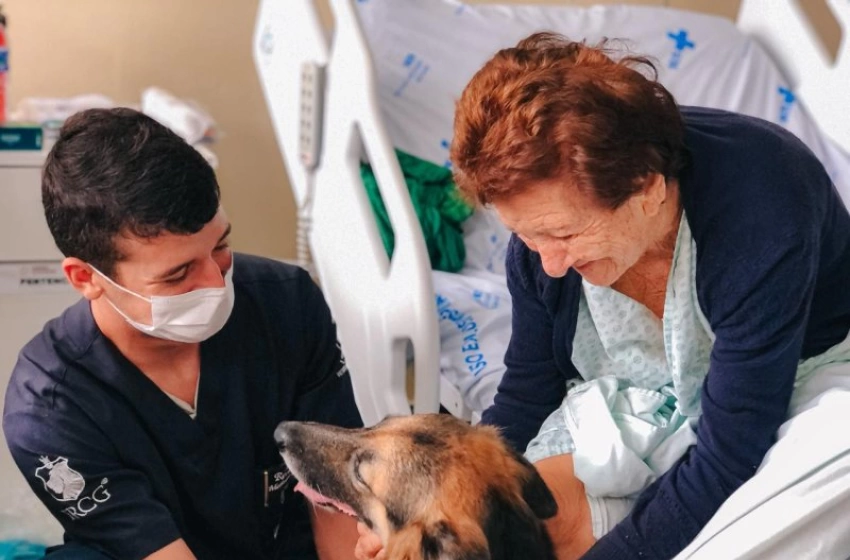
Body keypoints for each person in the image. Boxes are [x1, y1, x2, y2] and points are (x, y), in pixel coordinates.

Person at [356, 32, 850, 559]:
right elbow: (528, 393)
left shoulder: (764, 216)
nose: (548, 262)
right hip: (648, 395)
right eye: (526, 236)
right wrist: (432, 507)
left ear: (647, 187)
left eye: (565, 235)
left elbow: (730, 452)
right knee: (524, 526)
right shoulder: (540, 255)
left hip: (798, 375)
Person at [3, 108, 363, 560]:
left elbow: (337, 493)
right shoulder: (50, 405)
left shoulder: (285, 305)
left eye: (221, 247)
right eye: (177, 275)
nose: (215, 283)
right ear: (85, 278)